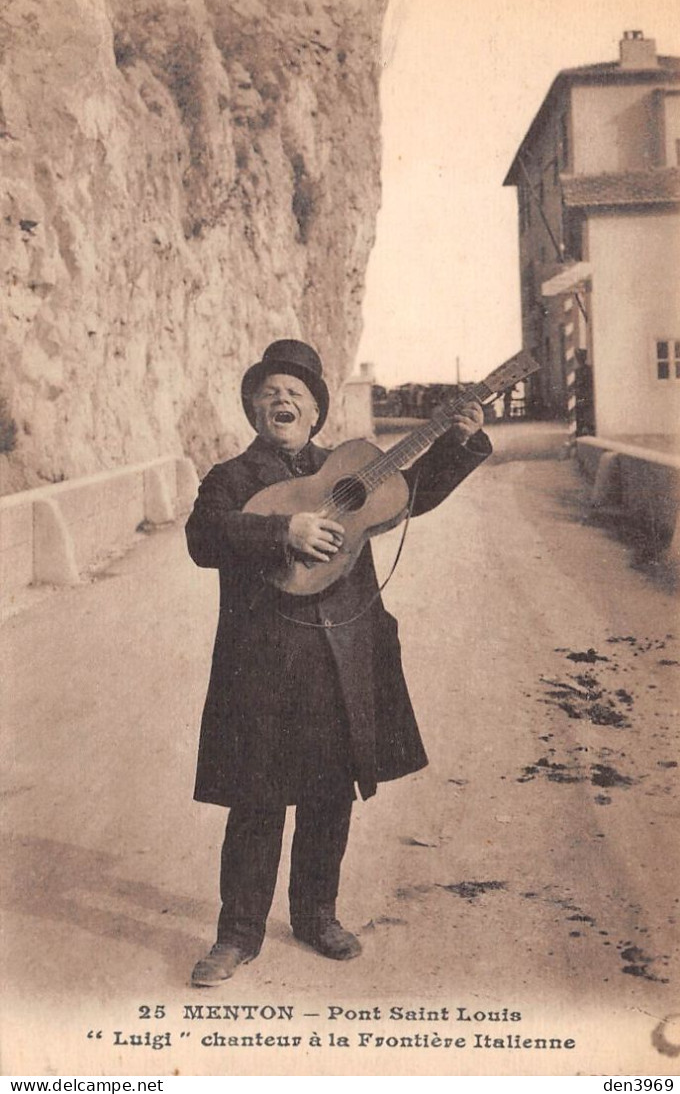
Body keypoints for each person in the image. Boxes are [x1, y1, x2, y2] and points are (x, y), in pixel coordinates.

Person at [186, 338, 491, 986]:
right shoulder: (231, 479)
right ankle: (237, 935)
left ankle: (316, 914)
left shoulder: (352, 468)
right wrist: (282, 531)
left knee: (329, 793)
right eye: (269, 393)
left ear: (317, 410)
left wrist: (460, 444)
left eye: (295, 393)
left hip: (340, 654)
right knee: (257, 799)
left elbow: (410, 494)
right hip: (264, 663)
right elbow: (202, 537)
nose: (282, 401)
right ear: (253, 409)